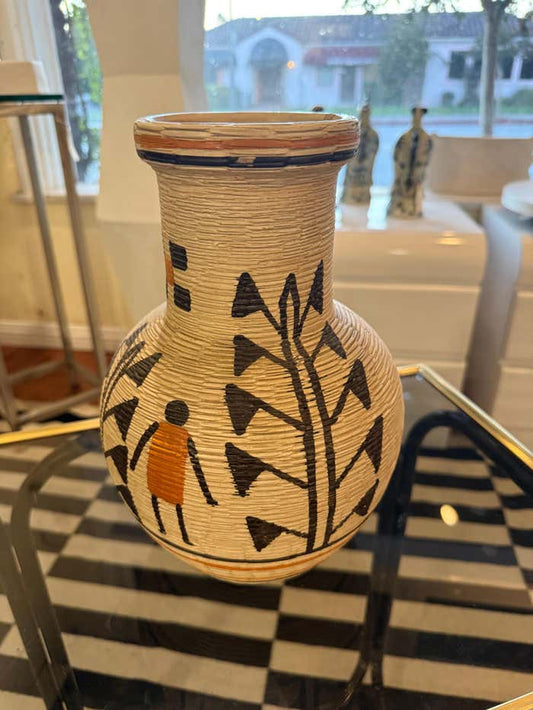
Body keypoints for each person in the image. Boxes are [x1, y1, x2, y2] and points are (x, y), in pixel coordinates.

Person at [130, 399, 217, 544]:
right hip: (168, 473)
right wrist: (207, 495)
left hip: (163, 471)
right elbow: (196, 466)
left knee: (157, 498)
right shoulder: (184, 436)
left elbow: (141, 442)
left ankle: (165, 528)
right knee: (173, 505)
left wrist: (133, 462)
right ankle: (177, 533)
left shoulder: (158, 427)